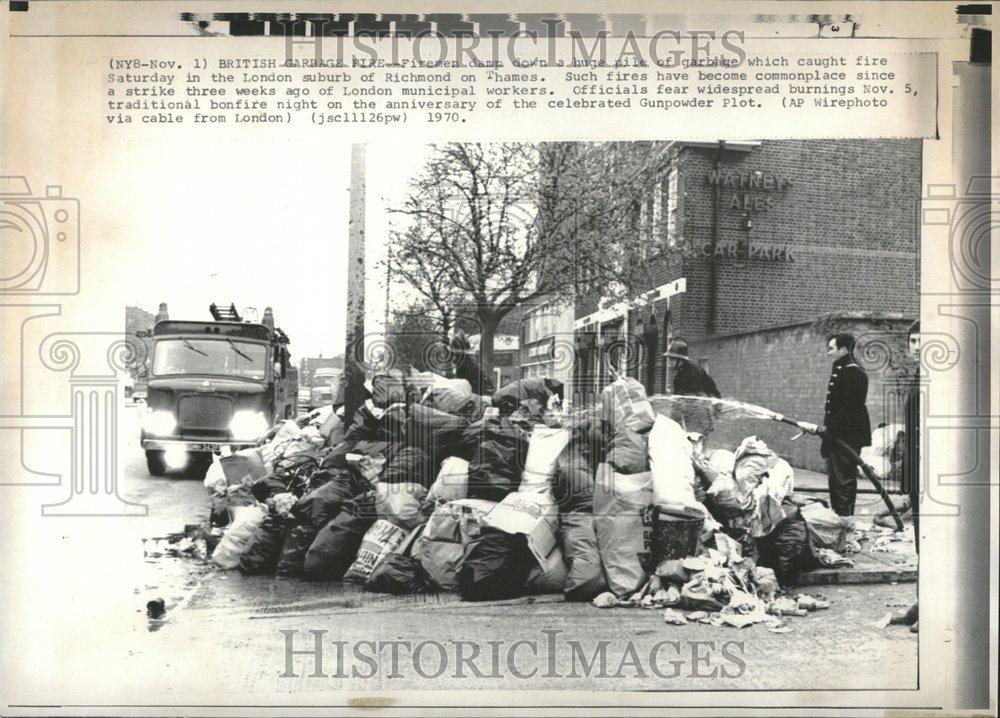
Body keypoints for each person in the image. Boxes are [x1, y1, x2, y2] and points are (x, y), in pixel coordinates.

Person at [819, 333, 872, 517]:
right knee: (835, 479)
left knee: (843, 480)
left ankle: (844, 519)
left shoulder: (853, 371)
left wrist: (831, 432)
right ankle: (838, 517)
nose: (828, 353)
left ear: (843, 350)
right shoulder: (842, 368)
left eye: (831, 348)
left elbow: (849, 409)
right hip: (837, 435)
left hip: (847, 436)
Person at [891, 319, 921, 632]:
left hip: (933, 472)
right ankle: (921, 604)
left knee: (935, 542)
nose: (917, 346)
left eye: (922, 340)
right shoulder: (918, 375)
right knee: (921, 543)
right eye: (913, 341)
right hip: (917, 473)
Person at [663, 338, 720, 435]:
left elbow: (678, 403)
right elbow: (715, 394)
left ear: (679, 359)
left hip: (695, 421)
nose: (669, 364)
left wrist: (672, 424)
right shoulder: (698, 369)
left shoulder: (681, 376)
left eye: (671, 359)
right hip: (705, 419)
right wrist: (714, 411)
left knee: (691, 446)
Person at [449, 329, 496, 396]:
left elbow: (464, 391)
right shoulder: (470, 364)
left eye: (452, 354)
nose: (451, 357)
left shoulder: (463, 367)